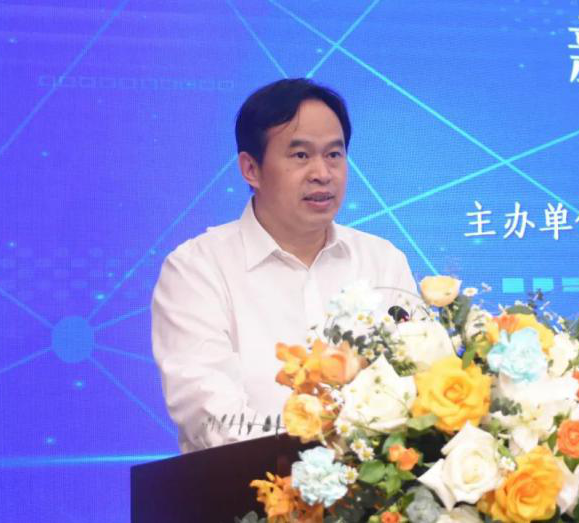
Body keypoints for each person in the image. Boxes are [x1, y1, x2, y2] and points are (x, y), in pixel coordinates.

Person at [151, 78, 418, 452]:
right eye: (301, 156)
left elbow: (415, 382)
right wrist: (318, 464)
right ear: (251, 169)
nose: (322, 173)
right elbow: (210, 415)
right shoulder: (196, 269)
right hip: (248, 484)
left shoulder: (382, 261)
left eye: (334, 155)